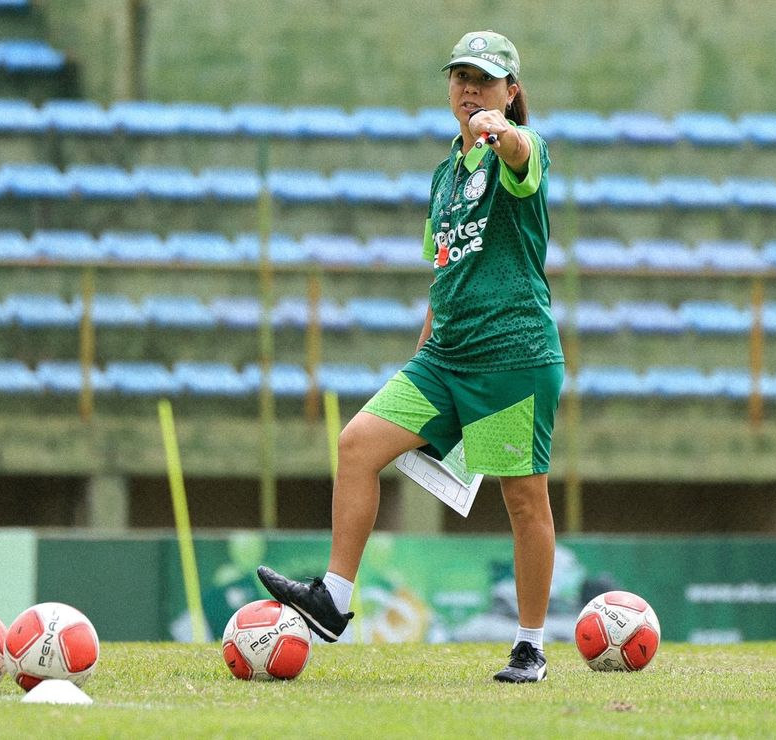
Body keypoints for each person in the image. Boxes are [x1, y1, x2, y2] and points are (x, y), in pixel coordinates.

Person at [257, 29, 564, 683]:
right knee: (357, 444)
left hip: (512, 356)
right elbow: (443, 266)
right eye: (460, 76)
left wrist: (497, 130)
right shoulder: (443, 175)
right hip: (445, 356)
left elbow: (518, 150)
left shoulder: (522, 149)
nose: (469, 87)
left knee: (524, 503)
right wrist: (420, 352)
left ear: (512, 92)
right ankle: (333, 601)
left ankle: (530, 645)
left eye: (484, 78)